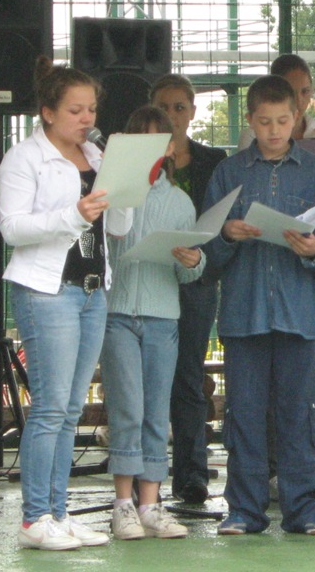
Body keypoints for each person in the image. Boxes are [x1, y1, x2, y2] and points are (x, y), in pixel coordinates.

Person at [205, 74, 315, 535]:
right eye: (264, 121)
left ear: (297, 118)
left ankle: (304, 509)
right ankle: (244, 510)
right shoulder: (229, 173)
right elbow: (204, 252)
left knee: (299, 413)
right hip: (244, 313)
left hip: (299, 314)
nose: (273, 130)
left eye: (282, 121)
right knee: (244, 413)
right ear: (249, 120)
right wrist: (227, 235)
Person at [0, 57, 132, 550]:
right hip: (47, 290)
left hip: (93, 288)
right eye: (75, 110)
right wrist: (73, 214)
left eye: (91, 109)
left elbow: (117, 228)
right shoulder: (24, 158)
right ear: (48, 112)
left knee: (72, 408)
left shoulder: (96, 155)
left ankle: (58, 512)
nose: (86, 118)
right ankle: (35, 518)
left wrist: (126, 189)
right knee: (51, 407)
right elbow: (12, 228)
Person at [239, 54, 315, 450]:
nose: (301, 99)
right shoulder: (249, 144)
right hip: (263, 263)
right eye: (292, 91)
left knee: (313, 358)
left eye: (305, 91)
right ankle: (269, 458)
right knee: (266, 366)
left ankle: (307, 451)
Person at [100, 106, 205, 540]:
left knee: (157, 410)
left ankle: (150, 503)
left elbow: (189, 272)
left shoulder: (180, 202)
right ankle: (122, 505)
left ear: (169, 149)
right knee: (127, 407)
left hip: (163, 317)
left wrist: (193, 260)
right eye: (138, 141)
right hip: (117, 314)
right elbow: (99, 250)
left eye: (156, 142)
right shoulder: (109, 192)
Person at [150, 74, 227, 504]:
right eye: (163, 107)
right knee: (148, 377)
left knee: (189, 376)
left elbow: (219, 218)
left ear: (192, 112)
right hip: (149, 277)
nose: (172, 115)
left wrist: (201, 259)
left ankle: (192, 473)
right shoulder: (137, 162)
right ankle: (144, 475)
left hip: (196, 279)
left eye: (179, 107)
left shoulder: (212, 159)